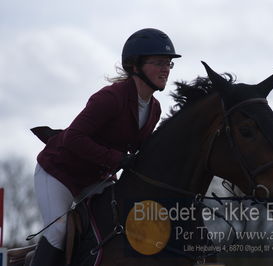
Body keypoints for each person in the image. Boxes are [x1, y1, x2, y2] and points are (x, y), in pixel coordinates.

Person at [30, 28, 181, 266]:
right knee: (58, 233)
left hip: (96, 179)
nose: (166, 69)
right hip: (59, 173)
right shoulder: (110, 98)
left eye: (169, 64)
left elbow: (141, 154)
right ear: (135, 66)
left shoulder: (154, 109)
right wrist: (118, 159)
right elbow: (73, 138)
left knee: (117, 225)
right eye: (159, 62)